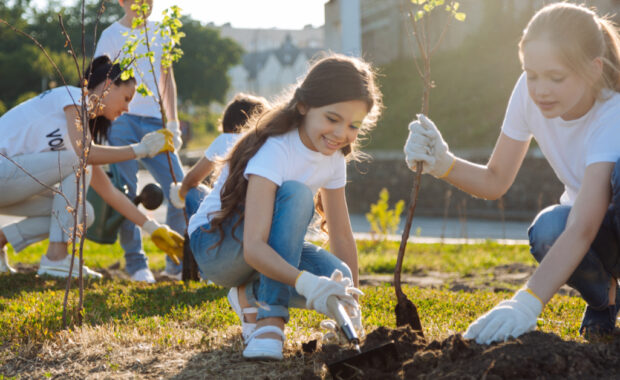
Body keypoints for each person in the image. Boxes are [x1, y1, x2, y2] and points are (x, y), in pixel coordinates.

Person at [404, 2, 620, 343]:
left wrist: (527, 302)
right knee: (548, 229)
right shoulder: (528, 93)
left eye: (556, 77)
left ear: (593, 70)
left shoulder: (613, 111)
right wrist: (443, 163)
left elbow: (583, 227)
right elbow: (495, 180)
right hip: (595, 229)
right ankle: (604, 300)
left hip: (598, 222)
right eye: (531, 74)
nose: (540, 89)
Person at [187, 54, 382, 360]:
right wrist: (306, 283)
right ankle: (269, 322)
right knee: (297, 194)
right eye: (332, 119)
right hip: (216, 246)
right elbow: (253, 247)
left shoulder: (333, 158)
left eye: (353, 125)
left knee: (337, 275)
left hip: (260, 247)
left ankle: (248, 294)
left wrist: (351, 306)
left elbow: (342, 238)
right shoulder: (276, 148)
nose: (342, 134)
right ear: (304, 106)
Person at [0, 56, 183, 278]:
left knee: (84, 212)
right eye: (126, 98)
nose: (126, 109)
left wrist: (153, 228)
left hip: (10, 184)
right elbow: (85, 154)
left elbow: (110, 192)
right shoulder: (72, 96)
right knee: (80, 162)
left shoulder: (80, 134)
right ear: (108, 85)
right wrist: (141, 149)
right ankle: (56, 259)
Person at [94, 0, 186, 283]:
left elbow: (167, 78)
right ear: (122, 1)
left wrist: (172, 123)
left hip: (156, 122)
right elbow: (100, 79)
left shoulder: (162, 31)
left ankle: (178, 263)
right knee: (126, 191)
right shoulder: (111, 35)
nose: (144, 3)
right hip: (122, 121)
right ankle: (136, 265)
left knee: (179, 188)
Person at [166, 94, 269, 280]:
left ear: (228, 124)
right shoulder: (267, 144)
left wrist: (180, 194)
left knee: (194, 193)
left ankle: (200, 267)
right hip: (254, 231)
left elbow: (192, 179)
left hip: (220, 229)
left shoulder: (227, 139)